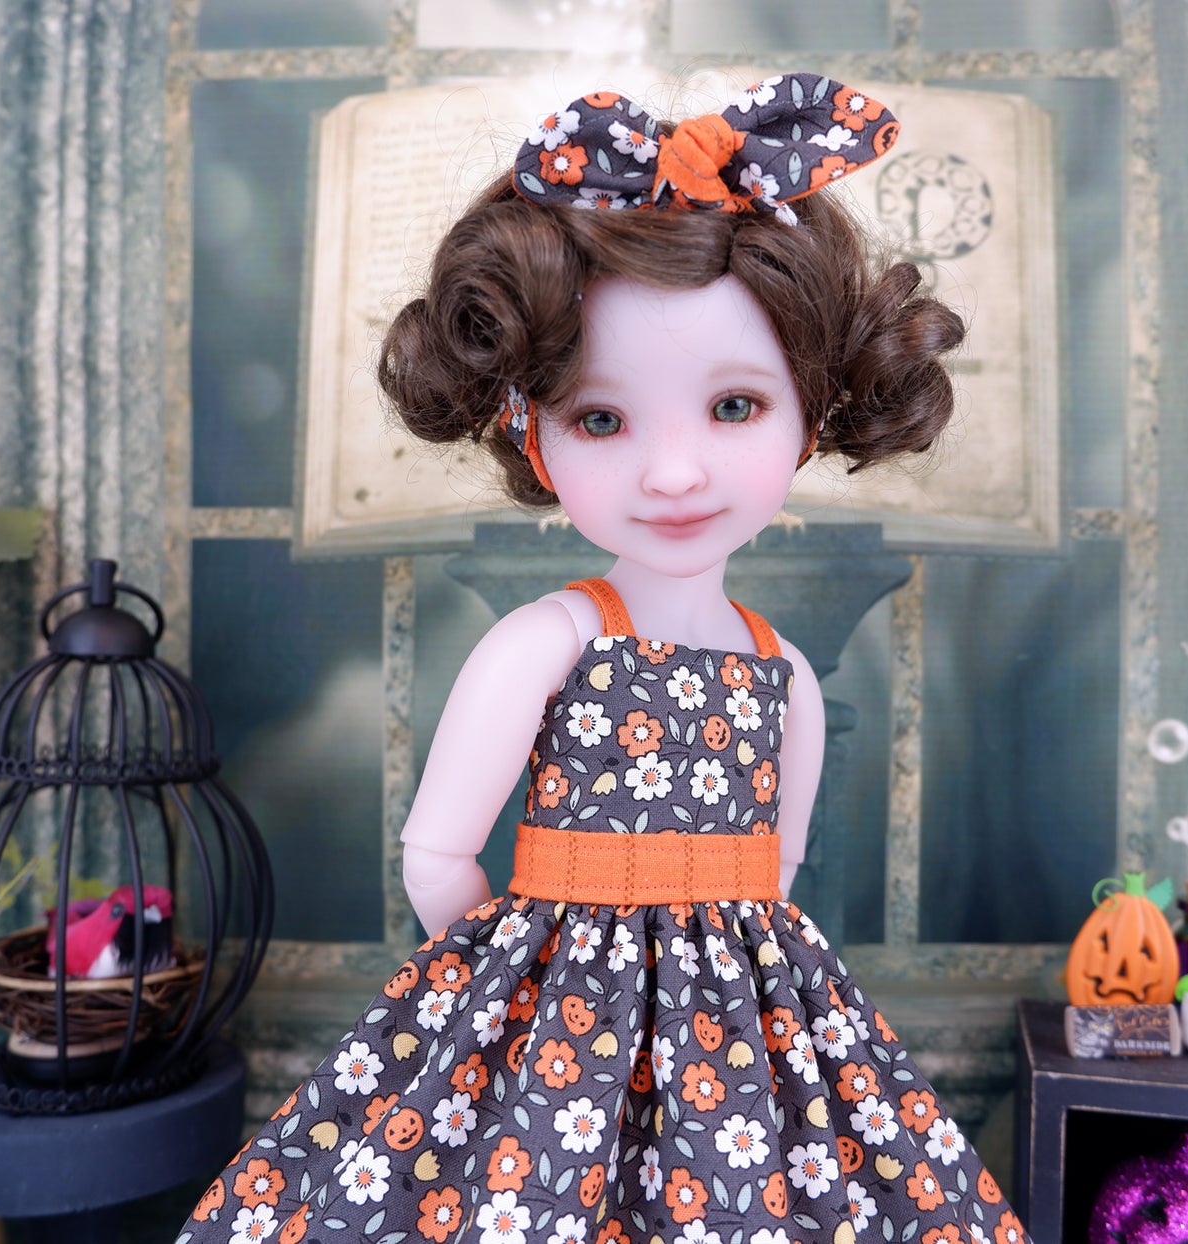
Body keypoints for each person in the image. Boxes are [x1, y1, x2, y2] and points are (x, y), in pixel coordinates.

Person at [177, 73, 1025, 1244]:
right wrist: (523, 1000)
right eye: (601, 418)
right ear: (529, 428)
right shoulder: (550, 639)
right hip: (555, 1024)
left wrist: (695, 1021)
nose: (673, 472)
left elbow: (771, 886)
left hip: (739, 1049)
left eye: (736, 406)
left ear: (815, 410)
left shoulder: (782, 672)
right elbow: (437, 857)